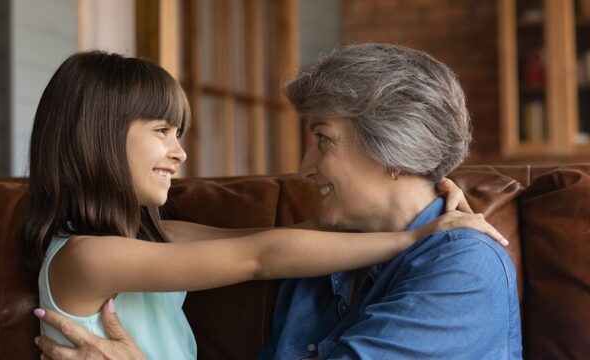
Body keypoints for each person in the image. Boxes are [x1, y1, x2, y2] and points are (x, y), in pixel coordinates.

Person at [30, 48, 512, 360]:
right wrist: (413, 232)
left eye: (322, 140)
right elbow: (260, 254)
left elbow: (260, 247)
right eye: (163, 132)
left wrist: (430, 199)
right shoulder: (92, 254)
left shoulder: (462, 268)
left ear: (394, 153)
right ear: (100, 140)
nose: (303, 167)